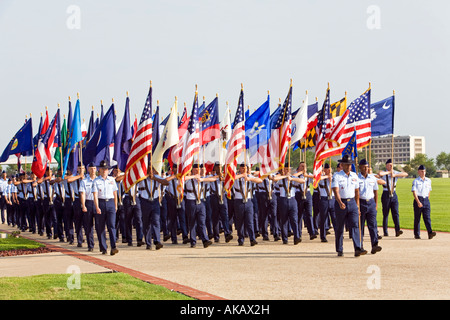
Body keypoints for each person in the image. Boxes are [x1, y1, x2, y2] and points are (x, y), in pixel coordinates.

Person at [331, 154, 366, 257]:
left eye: (350, 165)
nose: (348, 167)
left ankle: (357, 248)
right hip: (341, 203)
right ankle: (339, 249)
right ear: (342, 165)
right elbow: (335, 191)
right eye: (346, 165)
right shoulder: (337, 176)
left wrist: (357, 206)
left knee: (355, 225)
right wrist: (340, 202)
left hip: (352, 203)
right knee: (340, 227)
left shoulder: (354, 176)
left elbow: (357, 192)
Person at [272, 163, 304, 245]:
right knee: (284, 220)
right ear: (283, 170)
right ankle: (285, 238)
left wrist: (292, 179)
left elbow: (302, 181)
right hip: (283, 199)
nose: (288, 171)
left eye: (289, 169)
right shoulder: (280, 178)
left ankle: (296, 237)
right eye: (287, 169)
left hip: (292, 199)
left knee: (294, 219)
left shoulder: (293, 177)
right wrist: (285, 176)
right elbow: (274, 179)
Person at [137, 166, 168, 250]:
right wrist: (145, 176)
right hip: (145, 201)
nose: (151, 172)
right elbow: (135, 182)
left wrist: (154, 178)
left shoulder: (156, 177)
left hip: (155, 201)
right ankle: (148, 243)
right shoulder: (142, 178)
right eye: (149, 171)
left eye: (152, 170)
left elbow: (166, 182)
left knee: (156, 221)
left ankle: (157, 241)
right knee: (146, 223)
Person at [92, 160, 119, 255]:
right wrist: (97, 206)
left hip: (110, 202)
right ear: (100, 170)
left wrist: (115, 205)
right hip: (101, 203)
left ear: (108, 170)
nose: (104, 171)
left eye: (106, 169)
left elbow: (115, 193)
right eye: (103, 169)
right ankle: (103, 247)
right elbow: (95, 195)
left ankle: (113, 246)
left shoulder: (111, 180)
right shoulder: (96, 181)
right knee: (100, 227)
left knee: (112, 225)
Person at [358, 159, 384, 254]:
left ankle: (375, 245)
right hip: (361, 202)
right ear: (360, 167)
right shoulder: (357, 178)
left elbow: (376, 192)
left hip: (371, 203)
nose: (366, 168)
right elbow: (355, 193)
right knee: (360, 226)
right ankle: (360, 246)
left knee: (373, 225)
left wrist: (376, 205)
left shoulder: (372, 178)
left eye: (367, 167)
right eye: (364, 167)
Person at [183, 163, 213, 248]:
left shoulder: (202, 178)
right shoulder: (189, 179)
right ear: (192, 170)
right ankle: (193, 241)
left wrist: (202, 180)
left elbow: (213, 179)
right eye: (195, 170)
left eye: (198, 170)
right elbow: (182, 178)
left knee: (202, 222)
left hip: (201, 202)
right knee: (192, 222)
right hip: (191, 202)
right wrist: (193, 176)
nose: (197, 171)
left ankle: (205, 240)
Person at [232, 163, 262, 246]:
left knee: (250, 221)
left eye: (245, 168)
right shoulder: (237, 176)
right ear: (240, 169)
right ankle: (240, 239)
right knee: (240, 221)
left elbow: (260, 180)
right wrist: (241, 175)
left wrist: (249, 178)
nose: (244, 170)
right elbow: (230, 178)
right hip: (238, 201)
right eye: (242, 168)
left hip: (248, 200)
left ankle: (252, 239)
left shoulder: (249, 176)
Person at [378, 159, 408, 237]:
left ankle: (397, 230)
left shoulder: (395, 172)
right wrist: (388, 172)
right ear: (386, 166)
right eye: (389, 165)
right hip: (386, 193)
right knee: (386, 213)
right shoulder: (384, 173)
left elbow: (405, 174)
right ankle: (385, 231)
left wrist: (394, 175)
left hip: (393, 193)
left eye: (392, 165)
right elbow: (380, 173)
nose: (391, 166)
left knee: (395, 213)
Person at [208, 162, 233, 243]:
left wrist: (223, 178)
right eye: (217, 167)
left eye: (220, 167)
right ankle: (216, 236)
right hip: (214, 197)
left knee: (225, 216)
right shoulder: (211, 176)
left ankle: (227, 234)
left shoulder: (224, 175)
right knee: (215, 217)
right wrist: (217, 177)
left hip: (223, 196)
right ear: (214, 168)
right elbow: (209, 179)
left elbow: (230, 179)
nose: (219, 169)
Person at [411, 165, 436, 240]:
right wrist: (418, 202)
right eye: (422, 171)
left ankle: (430, 232)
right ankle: (417, 234)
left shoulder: (429, 180)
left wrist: (427, 200)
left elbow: (429, 191)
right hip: (418, 199)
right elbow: (414, 192)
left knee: (427, 217)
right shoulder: (416, 181)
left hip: (426, 200)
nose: (423, 172)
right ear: (418, 172)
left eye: (424, 171)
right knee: (417, 218)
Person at [293, 162, 317, 240]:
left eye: (305, 166)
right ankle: (298, 233)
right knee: (299, 215)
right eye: (302, 166)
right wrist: (300, 172)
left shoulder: (308, 174)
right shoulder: (296, 174)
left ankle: (312, 232)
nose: (303, 168)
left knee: (309, 214)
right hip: (298, 194)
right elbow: (292, 177)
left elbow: (316, 177)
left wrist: (306, 175)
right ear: (299, 167)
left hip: (308, 194)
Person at [317, 163, 337, 243]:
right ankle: (323, 236)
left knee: (335, 219)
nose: (329, 170)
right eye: (327, 169)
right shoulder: (321, 177)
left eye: (329, 169)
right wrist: (326, 176)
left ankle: (338, 235)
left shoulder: (334, 177)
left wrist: (331, 178)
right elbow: (317, 179)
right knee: (323, 218)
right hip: (324, 199)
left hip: (332, 199)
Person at [80, 162, 97, 251]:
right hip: (88, 203)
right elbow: (82, 194)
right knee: (88, 226)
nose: (93, 170)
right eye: (91, 168)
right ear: (88, 169)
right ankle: (90, 245)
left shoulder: (99, 180)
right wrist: (83, 205)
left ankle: (102, 245)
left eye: (94, 168)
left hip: (98, 203)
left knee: (99, 226)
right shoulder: (84, 181)